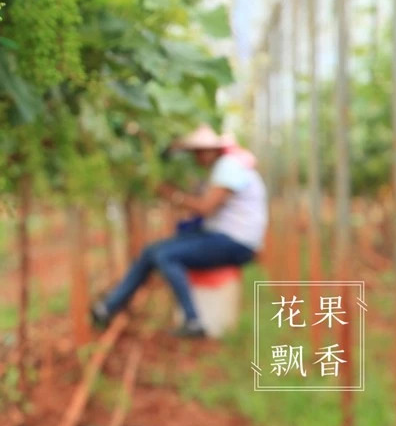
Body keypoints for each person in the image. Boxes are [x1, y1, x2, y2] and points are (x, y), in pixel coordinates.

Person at [90, 124, 268, 338]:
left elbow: (206, 207)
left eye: (199, 152)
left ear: (212, 150)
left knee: (165, 255)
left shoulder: (228, 166)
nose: (196, 157)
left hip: (234, 242)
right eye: (194, 152)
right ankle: (109, 307)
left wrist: (172, 194)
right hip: (225, 238)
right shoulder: (224, 167)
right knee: (151, 251)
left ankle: (193, 321)